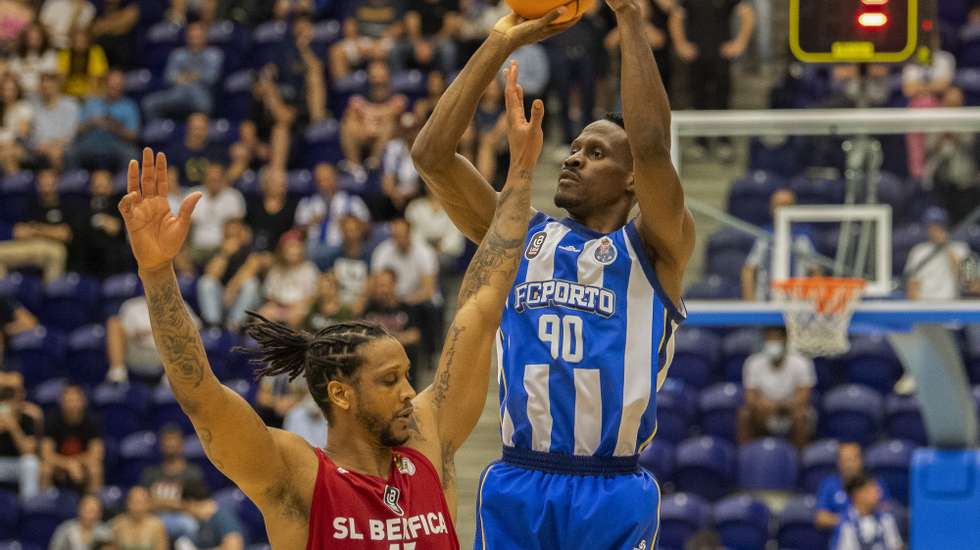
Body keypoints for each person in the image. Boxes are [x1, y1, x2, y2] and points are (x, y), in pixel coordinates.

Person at [114, 93, 540, 548]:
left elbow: (481, 305)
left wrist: (519, 174)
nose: (410, 393)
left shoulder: (427, 441)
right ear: (340, 393)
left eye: (405, 377)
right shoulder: (297, 478)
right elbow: (201, 397)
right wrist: (157, 273)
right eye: (390, 380)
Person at [411, 3, 695, 546]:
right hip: (518, 477)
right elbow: (432, 155)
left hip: (610, 487)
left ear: (634, 180)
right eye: (572, 150)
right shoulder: (519, 236)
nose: (572, 159)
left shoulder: (656, 248)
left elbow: (654, 145)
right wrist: (500, 42)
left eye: (595, 153)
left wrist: (631, 18)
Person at [669, 0, 754, 161]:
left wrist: (740, 43)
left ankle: (724, 141)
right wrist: (680, 44)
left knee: (723, 99)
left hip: (721, 56)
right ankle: (700, 142)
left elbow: (747, 13)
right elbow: (676, 15)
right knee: (698, 99)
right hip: (697, 56)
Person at [737, 326, 815, 448]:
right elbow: (751, 398)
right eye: (769, 339)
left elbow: (803, 398)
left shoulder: (801, 362)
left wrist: (779, 406)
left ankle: (800, 461)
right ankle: (747, 457)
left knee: (801, 415)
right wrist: (763, 406)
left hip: (789, 412)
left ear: (785, 341)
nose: (772, 343)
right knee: (745, 414)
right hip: (763, 413)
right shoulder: (753, 362)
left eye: (776, 339)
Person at [741, 188, 818, 301]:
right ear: (771, 208)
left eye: (787, 205)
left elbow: (815, 270)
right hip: (767, 303)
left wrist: (812, 301)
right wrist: (750, 301)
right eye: (778, 205)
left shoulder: (803, 237)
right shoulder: (765, 236)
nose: (783, 210)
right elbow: (749, 269)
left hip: (797, 305)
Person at [140, 425, 203, 541]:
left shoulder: (192, 474)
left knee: (190, 525)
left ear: (182, 444)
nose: (170, 445)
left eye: (174, 440)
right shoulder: (151, 474)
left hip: (185, 521)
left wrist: (162, 503)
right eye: (167, 441)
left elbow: (200, 508)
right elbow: (141, 504)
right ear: (161, 445)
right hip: (154, 521)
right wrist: (174, 504)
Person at [41, 384, 103, 493]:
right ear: (61, 402)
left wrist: (76, 463)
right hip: (59, 465)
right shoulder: (52, 421)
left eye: (75, 400)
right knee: (45, 468)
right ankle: (46, 503)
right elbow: (46, 454)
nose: (72, 405)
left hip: (82, 465)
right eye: (69, 400)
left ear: (83, 402)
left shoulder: (92, 421)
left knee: (95, 468)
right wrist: (68, 464)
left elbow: (97, 454)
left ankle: (93, 503)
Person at [816, 442, 890, 532]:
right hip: (841, 539)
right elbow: (821, 518)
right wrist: (850, 521)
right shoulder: (829, 484)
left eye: (853, 459)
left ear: (861, 460)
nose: (849, 465)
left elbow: (886, 510)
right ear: (838, 462)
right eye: (845, 460)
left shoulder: (874, 482)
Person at [905, 207, 972, 301]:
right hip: (924, 305)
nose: (935, 229)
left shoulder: (961, 248)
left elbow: (967, 280)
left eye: (939, 225)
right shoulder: (918, 251)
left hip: (951, 304)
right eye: (931, 226)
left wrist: (946, 246)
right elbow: (912, 285)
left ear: (945, 226)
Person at [832, 474, 904, 550]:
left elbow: (897, 547)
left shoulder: (886, 519)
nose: (878, 494)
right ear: (858, 494)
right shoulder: (845, 524)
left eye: (877, 490)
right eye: (872, 490)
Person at [0, 370, 42, 499]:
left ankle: (29, 505)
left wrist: (13, 426)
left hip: (18, 464)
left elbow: (28, 451)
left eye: (14, 398)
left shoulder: (27, 418)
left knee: (31, 463)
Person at [178, 479, 245, 550]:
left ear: (190, 503)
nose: (185, 512)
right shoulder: (204, 520)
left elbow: (234, 548)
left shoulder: (222, 517)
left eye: (184, 508)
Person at [111, 486, 168, 550]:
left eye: (141, 502)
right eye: (134, 502)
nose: (137, 507)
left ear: (148, 504)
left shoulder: (157, 526)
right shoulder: (118, 524)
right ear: (127, 503)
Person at [49, 493, 113, 550]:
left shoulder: (105, 532)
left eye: (94, 512)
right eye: (87, 511)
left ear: (100, 514)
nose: (90, 516)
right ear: (79, 510)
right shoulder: (65, 529)